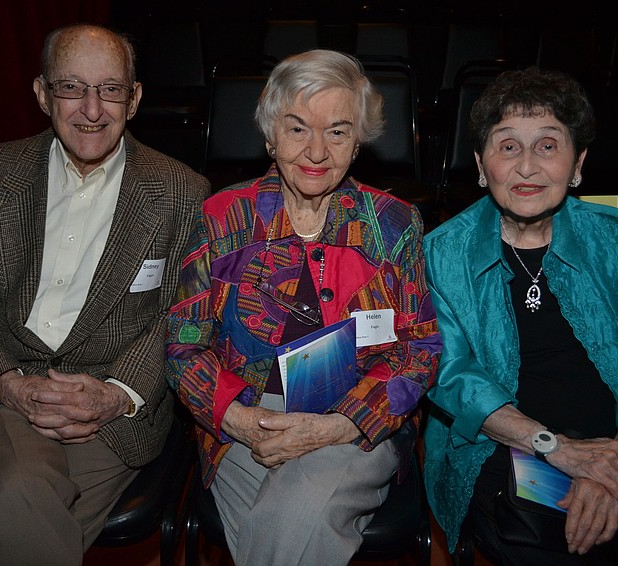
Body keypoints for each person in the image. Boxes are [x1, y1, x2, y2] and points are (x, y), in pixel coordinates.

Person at [0, 23, 209, 565]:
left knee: (19, 512)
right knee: (25, 488)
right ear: (42, 93)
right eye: (72, 87)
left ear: (134, 98)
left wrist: (116, 395)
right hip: (2, 393)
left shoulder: (183, 192)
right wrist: (9, 385)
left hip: (112, 411)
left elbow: (181, 318)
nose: (92, 110)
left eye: (111, 89)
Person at [165, 49, 441, 566]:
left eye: (337, 131)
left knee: (286, 518)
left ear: (357, 142)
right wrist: (241, 420)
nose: (317, 151)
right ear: (271, 136)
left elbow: (419, 351)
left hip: (356, 422)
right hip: (246, 422)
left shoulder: (393, 224)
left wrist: (338, 426)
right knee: (290, 531)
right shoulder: (223, 217)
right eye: (297, 129)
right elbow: (183, 346)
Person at [423, 66, 618, 565]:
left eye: (548, 146)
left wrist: (613, 461)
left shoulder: (617, 237)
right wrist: (560, 450)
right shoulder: (442, 254)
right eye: (508, 146)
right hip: (505, 447)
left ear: (577, 164)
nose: (527, 167)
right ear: (482, 165)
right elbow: (451, 375)